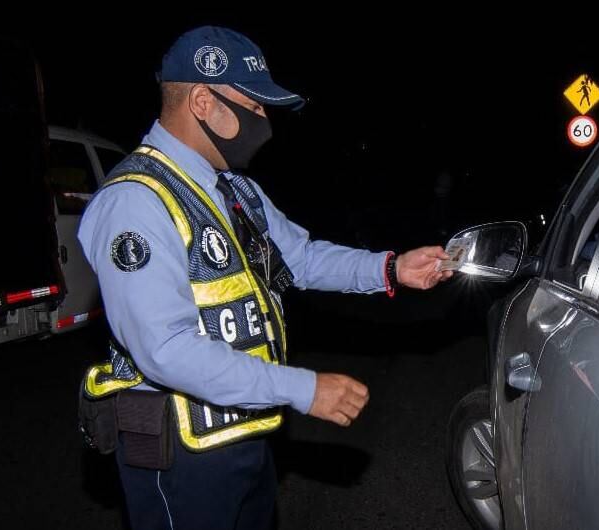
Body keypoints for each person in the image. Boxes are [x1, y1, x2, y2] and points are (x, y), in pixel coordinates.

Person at [77, 26, 452, 529]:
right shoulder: (135, 203)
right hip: (181, 457)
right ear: (203, 101)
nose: (264, 122)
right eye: (253, 107)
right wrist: (304, 389)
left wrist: (391, 268)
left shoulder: (235, 190)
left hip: (246, 432)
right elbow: (166, 350)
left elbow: (302, 257)